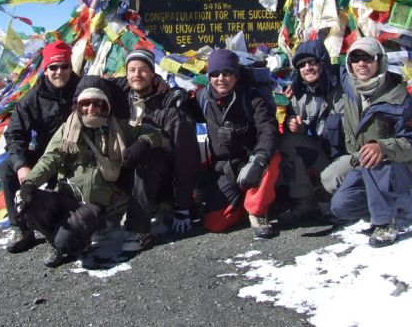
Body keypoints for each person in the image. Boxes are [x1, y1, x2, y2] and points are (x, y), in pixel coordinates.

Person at [18, 76, 160, 267]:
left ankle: (66, 240)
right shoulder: (67, 130)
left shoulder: (118, 127)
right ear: (78, 105)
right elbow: (50, 159)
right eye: (85, 103)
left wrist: (143, 142)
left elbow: (154, 133)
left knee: (66, 241)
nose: (90, 108)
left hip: (92, 203)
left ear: (106, 105)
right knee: (28, 203)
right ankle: (55, 239)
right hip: (65, 194)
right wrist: (30, 182)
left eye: (97, 103)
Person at [329, 37, 412, 247]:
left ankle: (385, 224)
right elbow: (320, 64)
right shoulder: (350, 87)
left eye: (368, 58)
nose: (361, 64)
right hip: (362, 163)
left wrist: (382, 147)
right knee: (341, 205)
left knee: (373, 158)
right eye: (355, 58)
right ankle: (381, 206)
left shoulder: (398, 96)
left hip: (400, 167)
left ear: (379, 61)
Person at [110, 48, 200, 251]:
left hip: (160, 174)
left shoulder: (170, 106)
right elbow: (93, 84)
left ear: (153, 73)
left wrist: (183, 205)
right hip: (125, 168)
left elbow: (187, 158)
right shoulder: (121, 94)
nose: (137, 75)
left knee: (147, 159)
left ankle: (138, 230)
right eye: (132, 70)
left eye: (143, 70)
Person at [189, 49, 281, 238]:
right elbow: (183, 112)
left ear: (236, 75)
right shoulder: (202, 98)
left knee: (272, 157)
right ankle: (243, 203)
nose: (220, 79)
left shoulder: (252, 97)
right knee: (215, 223)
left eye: (227, 73)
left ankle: (257, 212)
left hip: (252, 160)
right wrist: (170, 93)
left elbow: (268, 130)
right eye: (215, 74)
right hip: (226, 167)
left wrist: (259, 159)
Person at [0, 40, 80, 254]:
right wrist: (21, 165)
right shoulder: (31, 100)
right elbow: (14, 134)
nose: (59, 71)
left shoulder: (83, 89)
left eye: (64, 66)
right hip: (45, 157)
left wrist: (156, 81)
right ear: (45, 69)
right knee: (7, 168)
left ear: (71, 67)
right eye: (53, 67)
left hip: (77, 157)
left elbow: (119, 87)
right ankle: (21, 229)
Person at [278, 39, 345, 224]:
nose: (307, 68)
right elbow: (297, 124)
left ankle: (331, 198)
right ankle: (305, 201)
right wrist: (294, 124)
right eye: (301, 65)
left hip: (349, 156)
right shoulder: (297, 94)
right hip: (323, 154)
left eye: (312, 62)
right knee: (287, 141)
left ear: (323, 62)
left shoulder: (344, 84)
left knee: (342, 205)